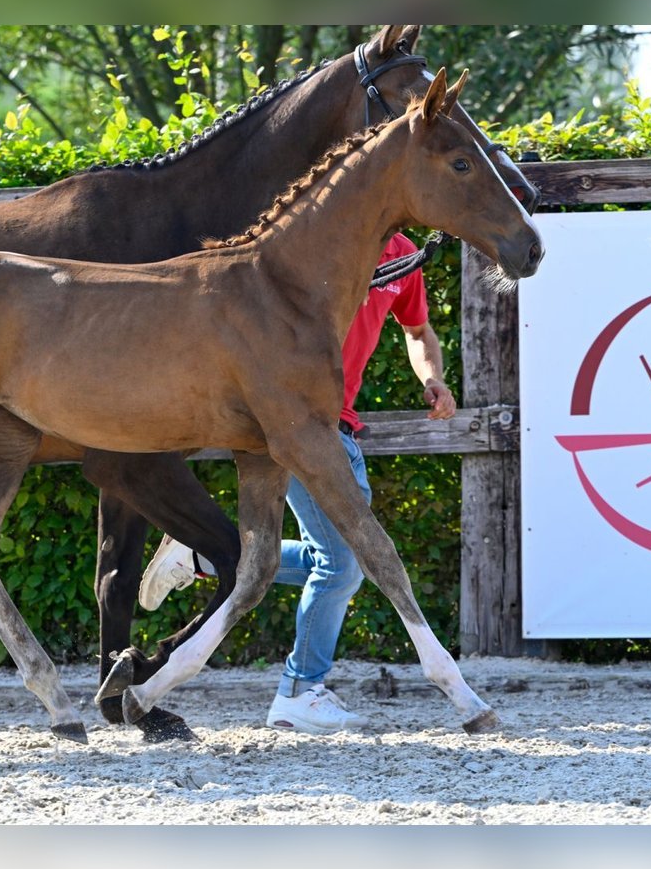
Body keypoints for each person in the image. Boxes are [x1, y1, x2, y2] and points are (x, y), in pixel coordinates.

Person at [137, 232, 456, 734]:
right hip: (299, 424)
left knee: (332, 558)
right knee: (343, 564)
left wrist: (431, 377)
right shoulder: (324, 236)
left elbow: (418, 332)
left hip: (339, 425)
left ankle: (203, 553)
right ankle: (299, 690)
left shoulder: (403, 255)